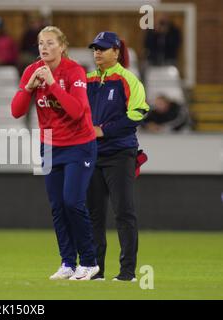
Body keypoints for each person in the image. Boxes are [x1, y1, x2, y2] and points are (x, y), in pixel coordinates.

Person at [11, 26, 99, 281]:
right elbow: (17, 112)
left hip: (79, 143)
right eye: (41, 43)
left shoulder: (74, 71)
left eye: (50, 43)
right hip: (49, 144)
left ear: (62, 46)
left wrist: (52, 84)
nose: (44, 47)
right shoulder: (32, 70)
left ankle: (90, 262)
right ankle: (68, 263)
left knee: (73, 201)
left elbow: (77, 111)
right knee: (58, 207)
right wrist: (28, 87)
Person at [86, 31, 150, 281]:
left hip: (120, 153)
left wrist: (104, 130)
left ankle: (127, 272)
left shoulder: (128, 80)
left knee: (123, 211)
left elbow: (138, 112)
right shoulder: (88, 80)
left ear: (116, 51)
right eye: (95, 48)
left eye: (102, 48)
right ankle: (96, 270)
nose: (97, 52)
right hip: (92, 154)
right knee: (94, 213)